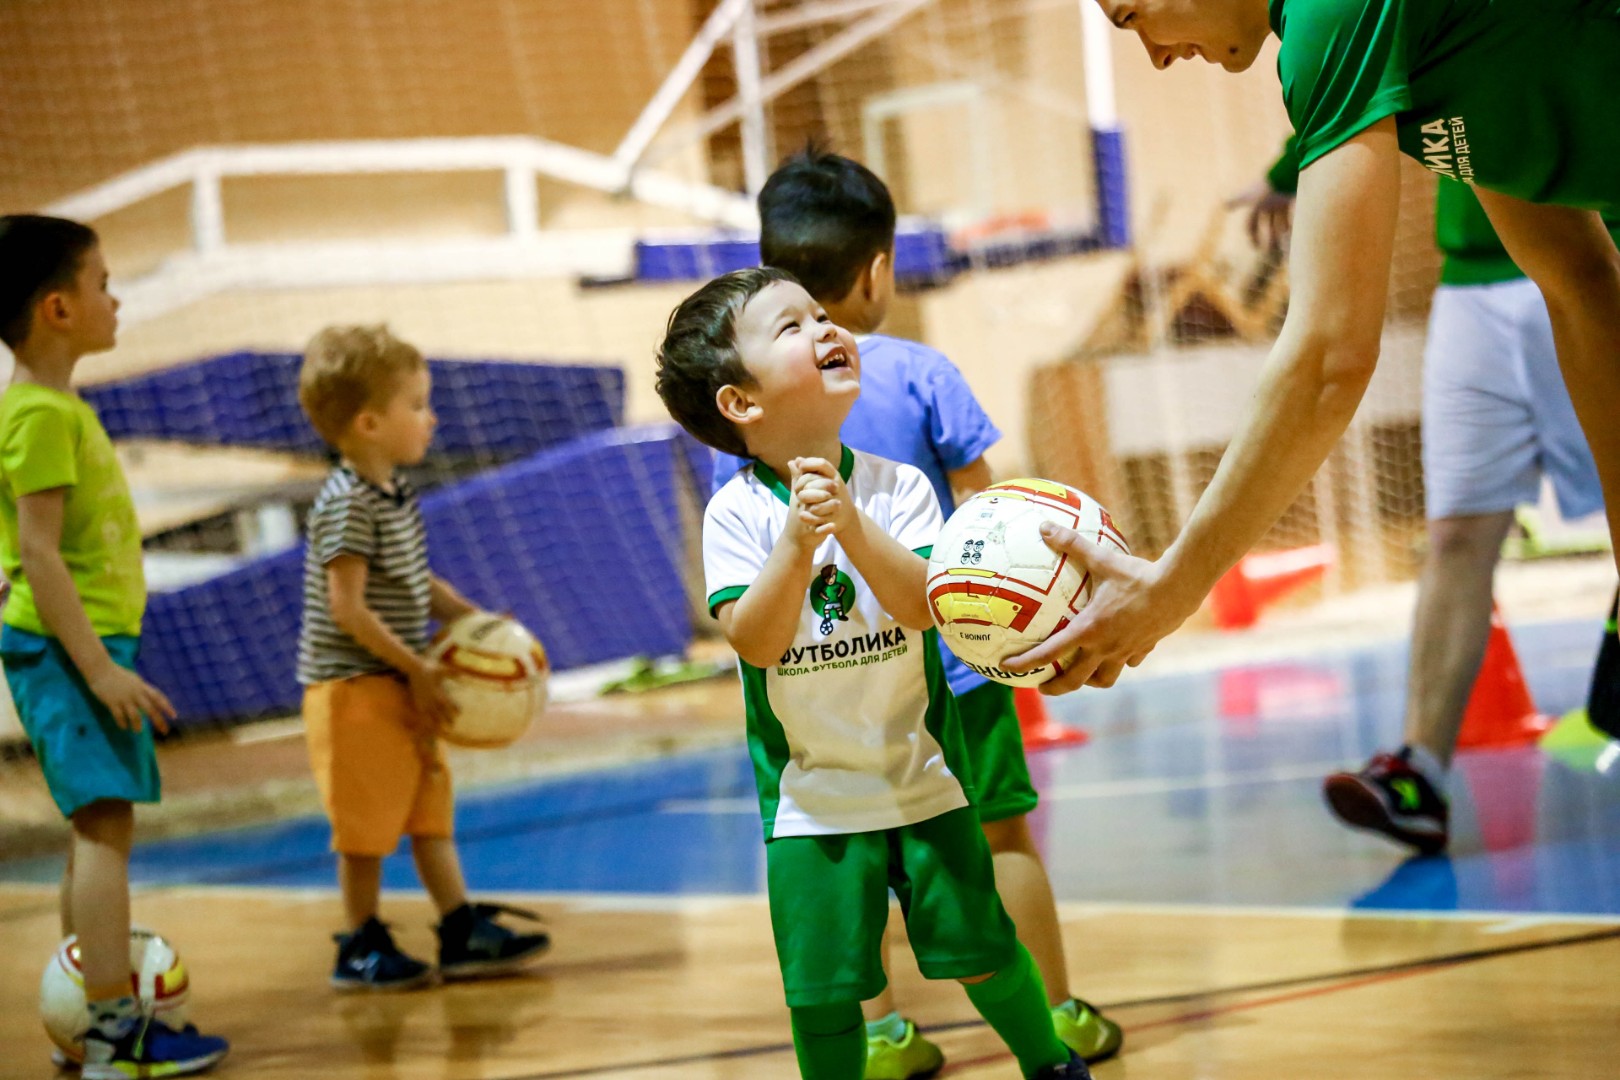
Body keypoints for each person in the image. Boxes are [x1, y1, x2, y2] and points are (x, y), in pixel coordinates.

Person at [1009, 0, 1620, 695]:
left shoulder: (1328, 15)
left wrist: (1170, 590)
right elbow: (1578, 281)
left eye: (1132, 17)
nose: (1155, 54)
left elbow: (1330, 358)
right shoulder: (1396, 41)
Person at [709, 148, 1121, 1076]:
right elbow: (993, 522)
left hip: (820, 697)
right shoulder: (924, 371)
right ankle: (1054, 1011)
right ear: (879, 270)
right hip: (956, 672)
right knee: (1001, 835)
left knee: (844, 870)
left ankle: (888, 1031)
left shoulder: (745, 429)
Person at [1239, 148, 1612, 852]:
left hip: (1593, 257)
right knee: (1456, 533)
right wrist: (1292, 170)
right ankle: (1419, 775)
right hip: (1471, 286)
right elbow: (1368, 65)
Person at [0, 215, 230, 1078]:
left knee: (91, 828)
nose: (116, 296)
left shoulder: (47, 408)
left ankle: (85, 1017)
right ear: (59, 308)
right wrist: (97, 668)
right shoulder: (39, 417)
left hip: (76, 645)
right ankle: (111, 1033)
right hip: (70, 650)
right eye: (102, 282)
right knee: (104, 832)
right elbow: (37, 553)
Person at [295, 324, 549, 989]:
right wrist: (416, 668)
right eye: (416, 404)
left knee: (428, 813)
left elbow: (416, 584)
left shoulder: (395, 494)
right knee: (366, 829)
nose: (430, 417)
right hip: (355, 690)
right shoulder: (346, 502)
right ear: (370, 422)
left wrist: (476, 619)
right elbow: (347, 609)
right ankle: (358, 941)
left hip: (403, 682)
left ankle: (459, 927)